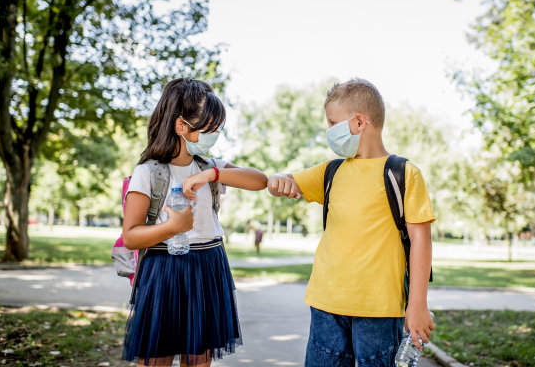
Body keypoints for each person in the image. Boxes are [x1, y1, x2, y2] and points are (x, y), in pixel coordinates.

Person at [267, 78, 435, 367]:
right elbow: (287, 182)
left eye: (333, 123)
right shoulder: (331, 171)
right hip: (326, 305)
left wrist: (417, 304)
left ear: (359, 123)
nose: (329, 131)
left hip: (380, 310)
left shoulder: (403, 173)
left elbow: (421, 240)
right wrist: (279, 181)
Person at [121, 78, 268, 367]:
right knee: (156, 359)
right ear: (181, 126)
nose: (214, 134)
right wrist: (172, 228)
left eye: (217, 128)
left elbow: (260, 180)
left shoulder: (211, 166)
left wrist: (212, 175)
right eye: (209, 128)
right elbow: (131, 236)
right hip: (164, 269)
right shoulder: (149, 172)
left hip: (209, 266)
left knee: (199, 360)